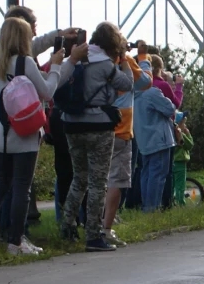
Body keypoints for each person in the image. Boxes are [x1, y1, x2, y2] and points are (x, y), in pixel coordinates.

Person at [0, 17, 57, 255]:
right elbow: (47, 92)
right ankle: (16, 241)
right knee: (22, 187)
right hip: (23, 135)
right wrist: (55, 67)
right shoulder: (25, 63)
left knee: (0, 185)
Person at [58, 22, 134, 252]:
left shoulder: (77, 57)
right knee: (98, 182)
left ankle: (67, 225)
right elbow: (127, 84)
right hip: (98, 125)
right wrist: (125, 61)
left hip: (71, 124)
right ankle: (93, 235)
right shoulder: (105, 64)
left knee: (79, 178)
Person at [102, 57, 151, 247]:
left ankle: (88, 222)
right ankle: (106, 227)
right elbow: (145, 83)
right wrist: (144, 59)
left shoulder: (93, 60)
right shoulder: (125, 61)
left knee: (96, 179)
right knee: (117, 180)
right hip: (121, 129)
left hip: (97, 126)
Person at [133, 58, 177, 214]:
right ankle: (153, 208)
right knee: (158, 175)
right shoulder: (152, 92)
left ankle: (146, 205)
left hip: (144, 140)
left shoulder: (132, 94)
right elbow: (170, 108)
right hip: (160, 139)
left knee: (146, 173)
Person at [171, 112, 194, 205]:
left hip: (172, 161)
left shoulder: (171, 133)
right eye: (184, 123)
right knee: (180, 185)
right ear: (179, 124)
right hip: (180, 162)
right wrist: (188, 134)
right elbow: (189, 145)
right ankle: (181, 203)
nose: (185, 125)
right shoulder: (180, 134)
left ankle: (170, 202)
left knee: (171, 185)